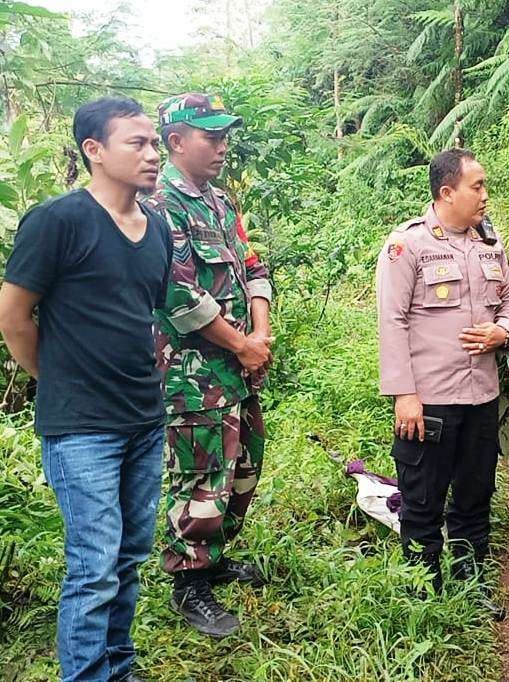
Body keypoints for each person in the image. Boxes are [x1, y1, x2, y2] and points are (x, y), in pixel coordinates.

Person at [0, 97, 170, 682]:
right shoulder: (58, 221)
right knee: (93, 567)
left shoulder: (157, 228)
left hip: (145, 419)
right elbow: (14, 316)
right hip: (82, 429)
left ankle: (118, 667)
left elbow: (144, 313)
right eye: (137, 143)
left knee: (127, 559)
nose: (153, 154)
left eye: (155, 142)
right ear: (93, 151)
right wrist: (56, 378)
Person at [145, 93, 273, 638]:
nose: (223, 146)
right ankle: (189, 581)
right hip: (192, 374)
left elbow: (252, 264)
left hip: (239, 364)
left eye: (225, 136)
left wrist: (259, 336)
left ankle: (214, 557)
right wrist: (240, 345)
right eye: (211, 137)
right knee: (201, 474)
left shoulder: (221, 201)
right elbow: (175, 292)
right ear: (176, 142)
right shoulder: (160, 204)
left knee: (245, 463)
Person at [375, 147, 509, 616]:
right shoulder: (409, 245)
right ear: (446, 192)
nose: (485, 196)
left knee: (475, 496)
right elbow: (392, 320)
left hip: (481, 397)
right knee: (423, 500)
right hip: (430, 400)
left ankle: (470, 582)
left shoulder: (490, 243)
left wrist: (505, 331)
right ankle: (423, 591)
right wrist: (404, 394)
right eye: (477, 186)